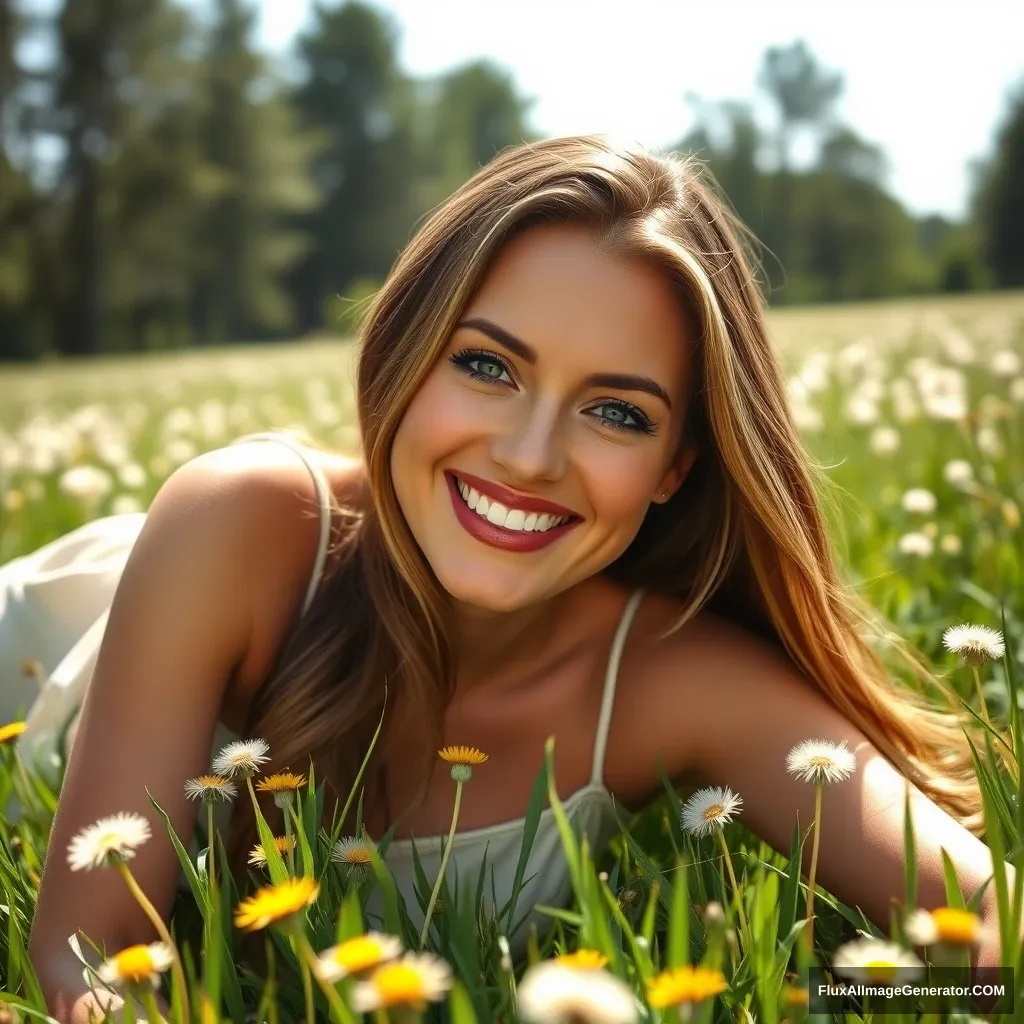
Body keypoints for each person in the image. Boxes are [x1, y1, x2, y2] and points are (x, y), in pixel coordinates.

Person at [11, 134, 1012, 1022]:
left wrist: (815, 992)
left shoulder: (671, 678)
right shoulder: (241, 521)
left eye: (617, 412)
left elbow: (992, 934)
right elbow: (82, 952)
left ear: (676, 467)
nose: (530, 457)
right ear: (406, 351)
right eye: (487, 365)